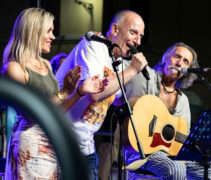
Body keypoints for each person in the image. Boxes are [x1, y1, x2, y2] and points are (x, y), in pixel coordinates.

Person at [1, 8, 107, 179]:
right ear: (34, 31)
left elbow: (58, 112)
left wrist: (78, 91)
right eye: (48, 31)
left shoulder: (46, 65)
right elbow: (32, 114)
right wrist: (64, 91)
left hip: (52, 141)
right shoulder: (14, 68)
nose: (53, 36)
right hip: (31, 143)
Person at [55, 10, 148, 180]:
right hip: (62, 143)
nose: (138, 41)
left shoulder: (119, 64)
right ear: (115, 29)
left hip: (86, 146)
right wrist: (133, 70)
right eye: (133, 32)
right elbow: (95, 94)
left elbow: (118, 99)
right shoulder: (93, 47)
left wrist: (147, 106)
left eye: (141, 36)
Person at [120, 42, 211, 180]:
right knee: (176, 167)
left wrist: (202, 147)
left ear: (188, 70)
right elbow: (120, 69)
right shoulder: (144, 75)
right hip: (140, 152)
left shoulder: (183, 100)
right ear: (166, 58)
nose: (179, 63)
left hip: (172, 154)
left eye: (186, 61)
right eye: (177, 56)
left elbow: (182, 137)